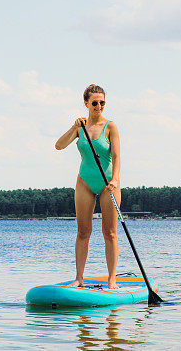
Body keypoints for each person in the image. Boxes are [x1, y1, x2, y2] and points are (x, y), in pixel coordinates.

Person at [54, 84, 122, 289]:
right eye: (94, 103)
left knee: (109, 233)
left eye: (102, 102)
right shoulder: (80, 127)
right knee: (83, 232)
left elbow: (117, 156)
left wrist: (115, 179)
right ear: (86, 103)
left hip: (108, 183)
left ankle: (112, 279)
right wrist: (74, 127)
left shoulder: (110, 126)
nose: (99, 106)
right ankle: (79, 278)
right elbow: (58, 145)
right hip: (84, 181)